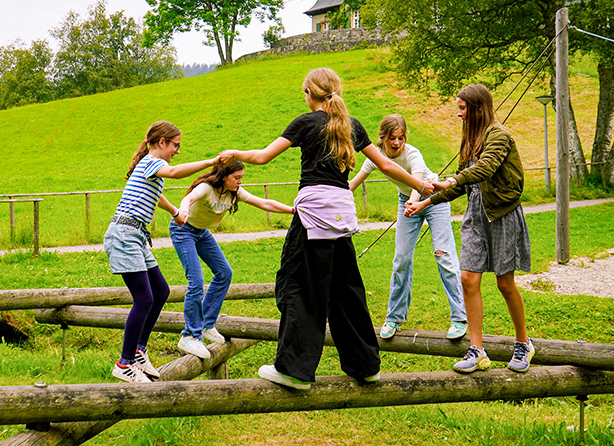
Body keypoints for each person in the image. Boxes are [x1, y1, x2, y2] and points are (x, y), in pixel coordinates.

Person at [220, 67, 434, 390]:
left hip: (312, 217)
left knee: (300, 287)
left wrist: (234, 154)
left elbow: (262, 157)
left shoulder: (305, 123)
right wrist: (422, 184)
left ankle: (294, 370)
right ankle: (366, 365)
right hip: (342, 216)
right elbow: (387, 165)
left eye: (305, 93)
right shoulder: (352, 126)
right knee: (347, 291)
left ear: (310, 94)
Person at [405, 84, 534, 374]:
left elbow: (485, 169)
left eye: (462, 108)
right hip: (476, 216)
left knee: (504, 283)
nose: (458, 113)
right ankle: (477, 350)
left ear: (477, 108)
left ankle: (523, 343)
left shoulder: (499, 135)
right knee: (468, 279)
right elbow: (463, 185)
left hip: (502, 214)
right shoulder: (470, 140)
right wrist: (426, 203)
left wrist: (452, 180)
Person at [104, 120, 220, 383]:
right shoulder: (151, 162)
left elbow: (156, 196)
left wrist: (175, 211)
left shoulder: (150, 168)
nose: (177, 151)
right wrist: (209, 162)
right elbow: (177, 172)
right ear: (161, 143)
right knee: (144, 299)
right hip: (124, 235)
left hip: (135, 236)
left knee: (161, 292)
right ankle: (125, 363)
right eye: (175, 146)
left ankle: (138, 350)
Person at [349, 114, 467, 341]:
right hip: (407, 202)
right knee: (401, 258)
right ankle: (394, 317)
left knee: (444, 255)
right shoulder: (375, 156)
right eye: (392, 138)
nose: (396, 143)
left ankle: (459, 317)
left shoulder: (412, 154)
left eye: (401, 138)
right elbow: (354, 184)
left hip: (434, 198)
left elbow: (418, 181)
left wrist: (415, 202)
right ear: (382, 137)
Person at [170, 159, 294, 358]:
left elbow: (263, 202)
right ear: (224, 176)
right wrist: (182, 210)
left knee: (224, 273)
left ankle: (206, 324)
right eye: (236, 178)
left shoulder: (235, 192)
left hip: (201, 233)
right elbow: (188, 199)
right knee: (196, 282)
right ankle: (189, 336)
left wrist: (293, 210)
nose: (239, 182)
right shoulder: (206, 188)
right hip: (183, 230)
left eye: (241, 178)